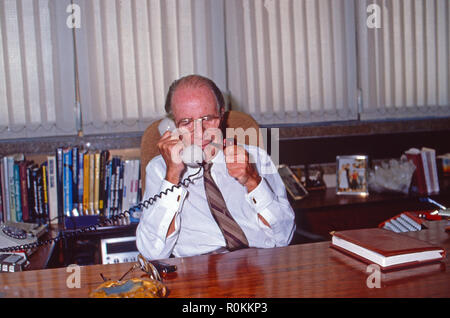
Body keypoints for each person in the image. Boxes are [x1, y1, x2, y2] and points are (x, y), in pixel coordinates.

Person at [136, 74, 296, 260]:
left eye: (208, 118)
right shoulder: (160, 170)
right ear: (171, 127)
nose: (200, 132)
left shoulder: (256, 158)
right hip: (197, 276)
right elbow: (151, 252)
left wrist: (253, 181)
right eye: (186, 122)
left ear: (221, 115)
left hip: (259, 268)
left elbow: (284, 238)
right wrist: (172, 177)